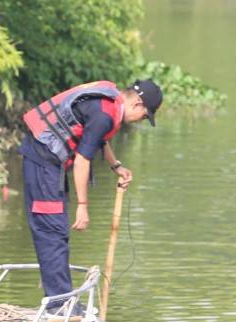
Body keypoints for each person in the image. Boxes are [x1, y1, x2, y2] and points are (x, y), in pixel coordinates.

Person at [19, 79, 162, 298]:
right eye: (144, 116)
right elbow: (82, 160)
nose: (140, 121)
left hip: (47, 163)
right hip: (43, 164)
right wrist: (83, 206)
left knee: (57, 231)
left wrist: (116, 166)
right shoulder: (105, 115)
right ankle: (59, 305)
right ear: (137, 104)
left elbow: (98, 139)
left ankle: (59, 298)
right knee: (52, 231)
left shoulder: (110, 101)